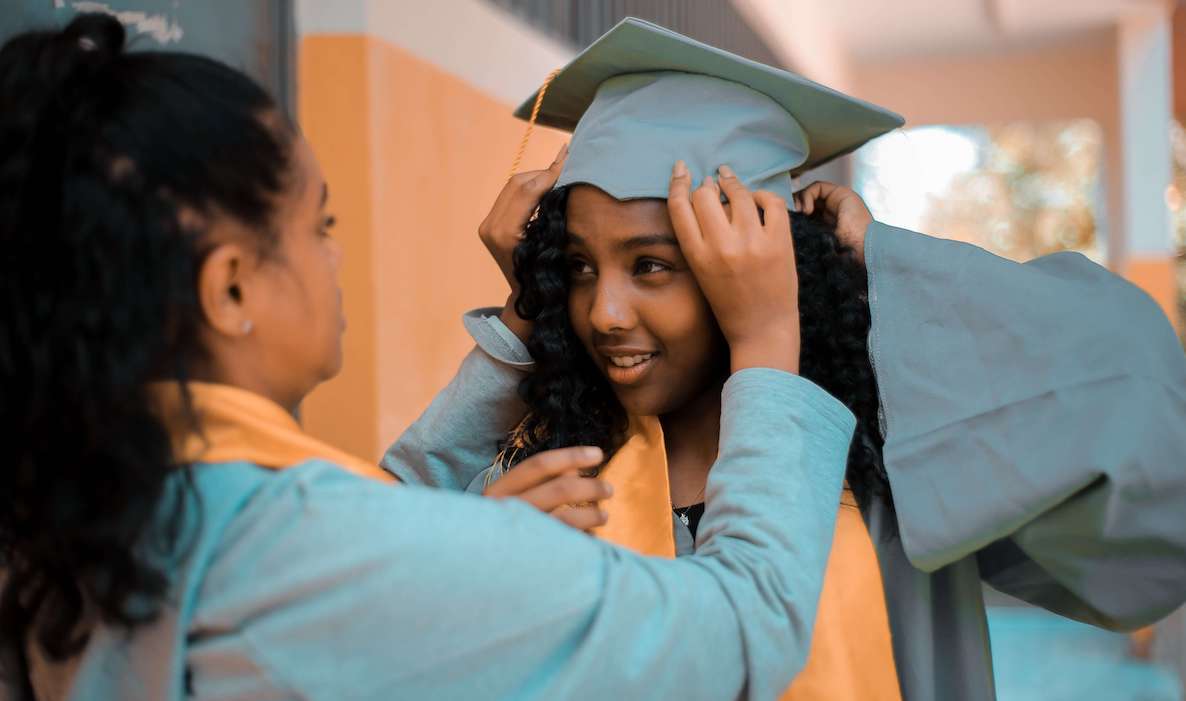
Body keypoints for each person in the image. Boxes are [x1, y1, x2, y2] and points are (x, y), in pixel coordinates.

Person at [0, 14, 858, 700]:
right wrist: (765, 343)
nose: (601, 309)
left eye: (652, 265)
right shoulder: (311, 549)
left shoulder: (98, 511)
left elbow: (380, 512)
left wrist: (521, 334)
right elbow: (747, 625)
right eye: (318, 227)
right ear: (229, 290)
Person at [386, 18, 1186, 701]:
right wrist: (527, 308)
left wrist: (883, 260)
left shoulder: (885, 471)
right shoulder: (546, 478)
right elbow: (382, 565)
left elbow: (1136, 397)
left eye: (653, 264)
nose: (605, 311)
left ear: (759, 263)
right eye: (580, 266)